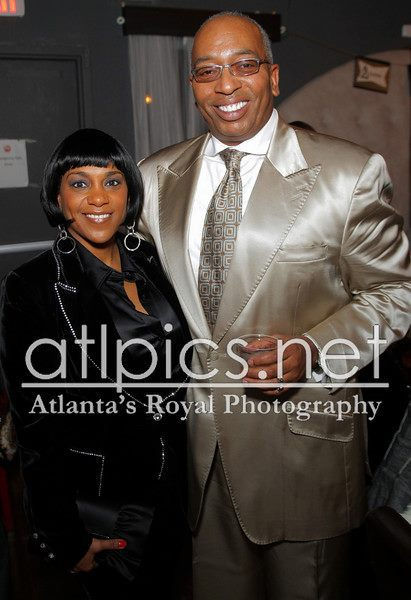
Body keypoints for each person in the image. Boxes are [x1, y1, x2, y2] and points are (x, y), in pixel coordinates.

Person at [138, 10, 411, 600]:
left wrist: (314, 350)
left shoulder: (347, 174)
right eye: (207, 71)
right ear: (192, 84)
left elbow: (396, 293)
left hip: (305, 453)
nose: (226, 85)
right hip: (203, 457)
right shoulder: (156, 177)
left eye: (244, 65)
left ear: (274, 75)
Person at [0, 129, 191, 599]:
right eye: (80, 183)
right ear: (58, 198)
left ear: (129, 194)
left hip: (182, 491)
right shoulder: (31, 287)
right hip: (110, 507)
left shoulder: (152, 261)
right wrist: (66, 534)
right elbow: (36, 425)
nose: (99, 198)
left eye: (113, 181)